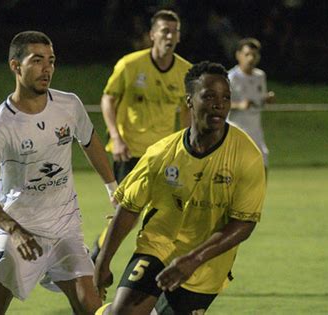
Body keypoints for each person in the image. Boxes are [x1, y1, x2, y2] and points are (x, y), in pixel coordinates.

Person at [94, 61, 267, 314]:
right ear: (189, 101)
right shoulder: (161, 153)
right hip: (159, 244)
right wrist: (102, 261)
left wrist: (194, 259)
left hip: (207, 260)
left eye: (226, 97)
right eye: (208, 97)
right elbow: (129, 208)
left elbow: (243, 223)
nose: (219, 104)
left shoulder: (247, 156)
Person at [0, 31, 116, 315]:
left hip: (65, 231)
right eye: (37, 61)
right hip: (21, 230)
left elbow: (89, 141)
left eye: (51, 61)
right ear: (15, 65)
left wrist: (112, 188)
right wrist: (14, 230)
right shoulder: (0, 125)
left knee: (91, 306)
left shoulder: (68, 105)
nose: (47, 68)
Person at [91, 9, 193, 261]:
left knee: (168, 215)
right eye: (165, 31)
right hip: (130, 153)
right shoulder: (130, 65)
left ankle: (154, 273)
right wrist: (115, 136)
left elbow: (186, 111)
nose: (170, 36)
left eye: (175, 31)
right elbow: (108, 99)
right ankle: (94, 259)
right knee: (128, 217)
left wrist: (186, 146)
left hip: (164, 155)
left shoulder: (185, 71)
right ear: (152, 35)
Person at [226, 37, 275, 173]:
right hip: (237, 130)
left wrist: (266, 99)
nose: (251, 58)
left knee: (263, 165)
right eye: (247, 54)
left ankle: (260, 195)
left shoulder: (260, 76)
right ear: (238, 55)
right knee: (235, 169)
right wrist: (239, 105)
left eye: (254, 55)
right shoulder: (231, 77)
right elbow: (221, 104)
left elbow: (259, 101)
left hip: (255, 130)